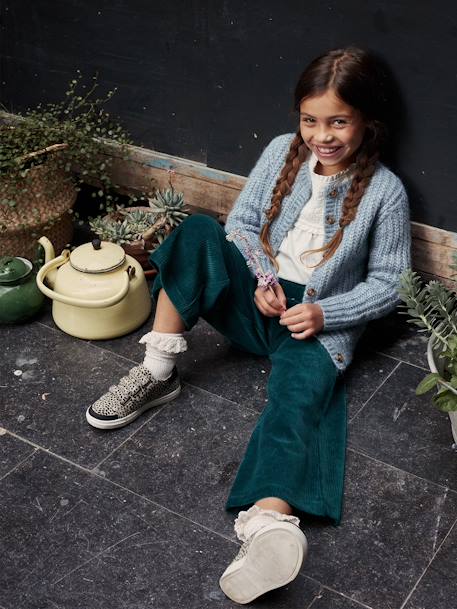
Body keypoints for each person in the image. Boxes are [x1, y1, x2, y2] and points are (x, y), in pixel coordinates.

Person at [86, 47, 411, 604]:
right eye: (311, 120)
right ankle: (158, 370)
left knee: (297, 402)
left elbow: (389, 283)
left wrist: (326, 312)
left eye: (339, 121)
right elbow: (242, 221)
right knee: (197, 234)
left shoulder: (386, 192)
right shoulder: (281, 153)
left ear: (367, 120)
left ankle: (267, 525)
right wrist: (262, 278)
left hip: (318, 322)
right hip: (262, 300)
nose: (323, 135)